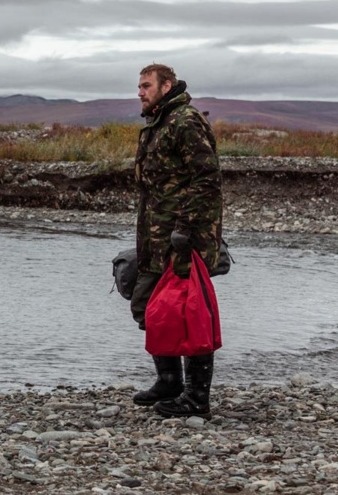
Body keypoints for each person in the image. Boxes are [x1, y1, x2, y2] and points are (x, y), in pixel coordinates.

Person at [131, 63, 223, 419]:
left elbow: (206, 179)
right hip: (156, 237)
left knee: (188, 315)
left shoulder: (185, 121)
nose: (140, 92)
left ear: (166, 86)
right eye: (139, 87)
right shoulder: (157, 125)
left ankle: (197, 399)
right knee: (148, 305)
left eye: (146, 86)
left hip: (183, 240)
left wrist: (185, 230)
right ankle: (169, 381)